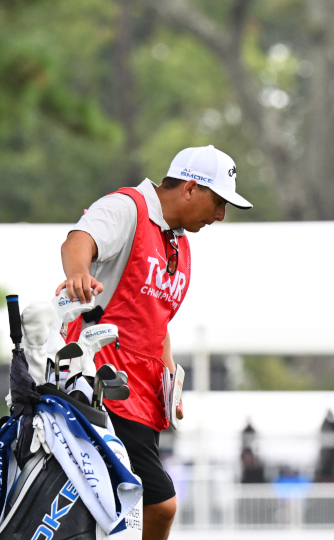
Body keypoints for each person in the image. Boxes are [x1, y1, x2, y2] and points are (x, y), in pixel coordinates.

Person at [56, 145, 251, 540]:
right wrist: (78, 273)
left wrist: (168, 378)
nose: (219, 216)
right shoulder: (128, 208)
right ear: (191, 189)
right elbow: (79, 238)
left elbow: (156, 321)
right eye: (217, 203)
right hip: (101, 382)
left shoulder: (178, 240)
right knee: (160, 505)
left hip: (143, 393)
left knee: (125, 509)